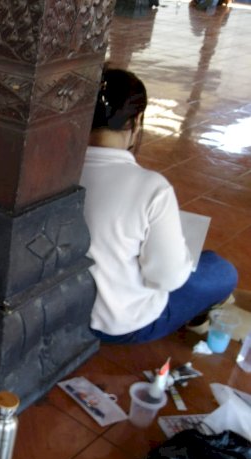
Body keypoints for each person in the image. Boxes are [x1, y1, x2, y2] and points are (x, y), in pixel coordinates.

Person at [80, 67, 237, 344]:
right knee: (221, 271)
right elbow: (168, 279)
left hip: (61, 317)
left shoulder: (54, 171)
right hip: (123, 326)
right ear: (136, 122)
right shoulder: (151, 188)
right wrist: (181, 258)